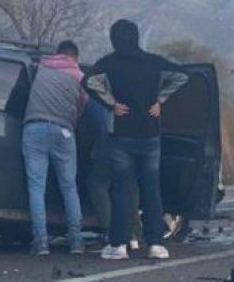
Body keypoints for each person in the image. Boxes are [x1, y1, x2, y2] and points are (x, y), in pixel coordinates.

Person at [83, 19, 188, 260]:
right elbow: (182, 76)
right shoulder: (153, 62)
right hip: (150, 134)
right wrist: (160, 100)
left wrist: (111, 103)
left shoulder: (108, 63)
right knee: (151, 190)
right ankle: (156, 244)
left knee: (122, 191)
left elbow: (87, 81)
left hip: (122, 134)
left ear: (113, 39)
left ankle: (119, 245)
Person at [22, 40, 88, 255]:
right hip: (63, 131)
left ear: (58, 54)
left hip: (34, 128)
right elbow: (81, 107)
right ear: (75, 57)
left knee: (36, 186)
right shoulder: (80, 77)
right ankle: (76, 241)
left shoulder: (40, 67)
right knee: (69, 186)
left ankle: (40, 242)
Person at [84, 98, 143, 249]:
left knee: (98, 184)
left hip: (110, 144)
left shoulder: (101, 97)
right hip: (135, 145)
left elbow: (93, 121)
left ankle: (110, 231)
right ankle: (135, 234)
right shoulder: (136, 92)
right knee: (130, 188)